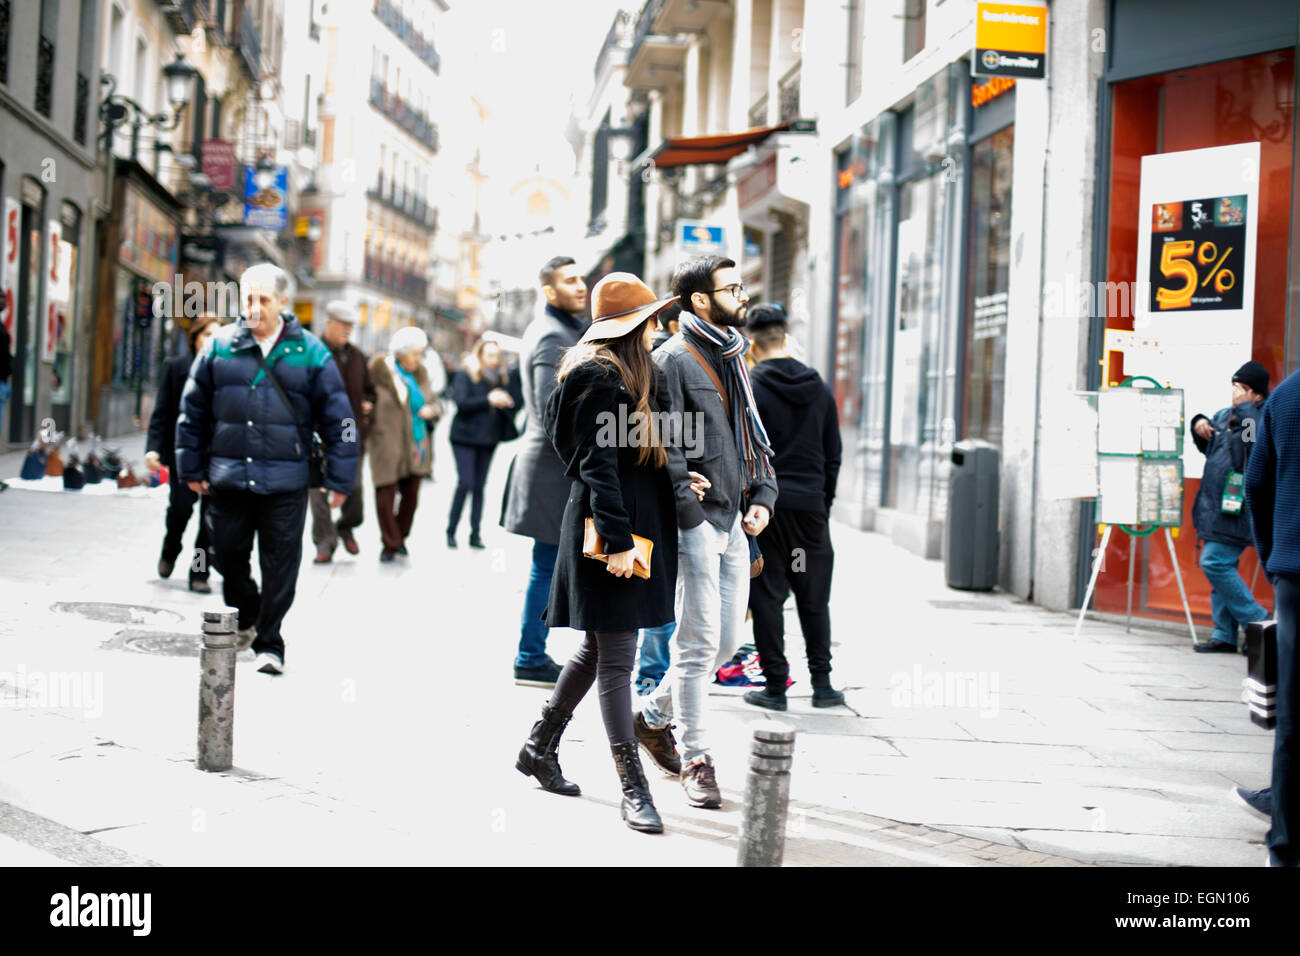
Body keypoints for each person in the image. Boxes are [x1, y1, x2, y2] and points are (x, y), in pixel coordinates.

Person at [515, 272, 692, 833]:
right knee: (618, 659)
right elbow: (597, 467)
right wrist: (615, 542)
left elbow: (640, 452)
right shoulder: (597, 376)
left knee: (598, 650)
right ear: (632, 326)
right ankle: (633, 787)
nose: (659, 327)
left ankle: (539, 746)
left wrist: (678, 478)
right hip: (612, 533)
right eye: (651, 319)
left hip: (632, 526)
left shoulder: (630, 374)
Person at [634, 255, 778, 809]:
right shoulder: (671, 359)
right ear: (699, 299)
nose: (742, 295)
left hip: (737, 522)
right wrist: (684, 503)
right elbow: (659, 440)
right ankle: (697, 758)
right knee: (696, 647)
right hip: (695, 521)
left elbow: (753, 440)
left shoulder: (734, 356)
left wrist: (763, 496)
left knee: (725, 643)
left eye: (741, 285)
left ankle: (650, 716)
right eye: (731, 288)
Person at [175, 263, 358, 675]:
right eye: (248, 299)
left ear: (283, 303)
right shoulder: (219, 346)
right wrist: (191, 467)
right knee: (224, 554)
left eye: (263, 299)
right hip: (227, 478)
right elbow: (192, 412)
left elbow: (342, 421)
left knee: (281, 565)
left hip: (285, 482)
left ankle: (270, 642)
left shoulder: (311, 352)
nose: (254, 308)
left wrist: (341, 479)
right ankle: (249, 609)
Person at [741, 303, 845, 710]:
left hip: (768, 513)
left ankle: (776, 687)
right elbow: (832, 456)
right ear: (786, 338)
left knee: (768, 596)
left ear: (751, 344)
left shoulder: (751, 388)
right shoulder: (819, 389)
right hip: (809, 517)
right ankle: (822, 685)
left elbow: (746, 452)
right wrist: (822, 504)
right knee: (812, 594)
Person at [501, 256, 589, 686]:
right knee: (546, 563)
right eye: (569, 280)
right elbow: (551, 410)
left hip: (554, 465)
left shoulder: (563, 328)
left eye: (581, 278)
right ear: (548, 291)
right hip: (551, 469)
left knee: (549, 562)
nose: (581, 285)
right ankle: (530, 656)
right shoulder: (554, 335)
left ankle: (533, 653)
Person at [1245, 363, 1298, 867]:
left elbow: (1256, 485)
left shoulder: (1286, 397)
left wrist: (1272, 556)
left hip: (1295, 575)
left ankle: (1284, 851)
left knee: (1293, 719)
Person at [1190, 361, 1270, 653]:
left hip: (1239, 507)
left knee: (1215, 562)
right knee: (1222, 567)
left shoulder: (1259, 416)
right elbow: (1213, 451)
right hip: (1215, 504)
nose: (1235, 394)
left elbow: (1252, 447)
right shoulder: (1225, 415)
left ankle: (1259, 620)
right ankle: (1224, 634)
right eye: (1234, 387)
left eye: (1242, 389)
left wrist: (1247, 409)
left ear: (1257, 394)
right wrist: (1199, 426)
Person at [146, 315, 221, 593]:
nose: (212, 340)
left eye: (218, 335)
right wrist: (153, 448)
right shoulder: (176, 367)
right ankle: (171, 547)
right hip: (182, 453)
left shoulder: (226, 370)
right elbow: (161, 413)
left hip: (216, 457)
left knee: (209, 522)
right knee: (180, 509)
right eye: (207, 334)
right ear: (195, 337)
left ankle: (199, 572)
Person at [635, 303, 682, 694]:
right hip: (662, 490)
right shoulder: (665, 362)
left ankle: (651, 675)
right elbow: (670, 433)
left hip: (663, 486)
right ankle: (651, 676)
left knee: (657, 585)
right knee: (660, 586)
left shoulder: (653, 362)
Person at [310, 301, 377, 564]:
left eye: (351, 326)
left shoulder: (359, 356)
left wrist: (368, 407)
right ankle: (324, 542)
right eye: (343, 325)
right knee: (318, 493)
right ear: (329, 323)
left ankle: (346, 526)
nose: (347, 331)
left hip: (351, 433)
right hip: (319, 433)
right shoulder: (313, 352)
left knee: (355, 488)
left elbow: (371, 390)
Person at [369, 326, 439, 561]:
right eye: (415, 353)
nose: (419, 359)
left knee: (411, 495)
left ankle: (400, 536)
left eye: (421, 354)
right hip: (386, 442)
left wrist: (433, 410)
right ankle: (390, 543)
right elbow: (361, 401)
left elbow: (436, 403)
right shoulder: (379, 372)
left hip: (415, 444)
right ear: (401, 352)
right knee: (385, 495)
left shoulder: (421, 375)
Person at [447, 338, 518, 549]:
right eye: (489, 355)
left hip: (488, 439)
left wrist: (507, 402)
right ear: (479, 356)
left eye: (497, 356)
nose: (494, 360)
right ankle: (451, 530)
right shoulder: (466, 374)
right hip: (464, 438)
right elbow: (461, 403)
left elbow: (516, 402)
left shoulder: (501, 379)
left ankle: (474, 533)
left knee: (480, 486)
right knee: (465, 482)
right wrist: (488, 400)